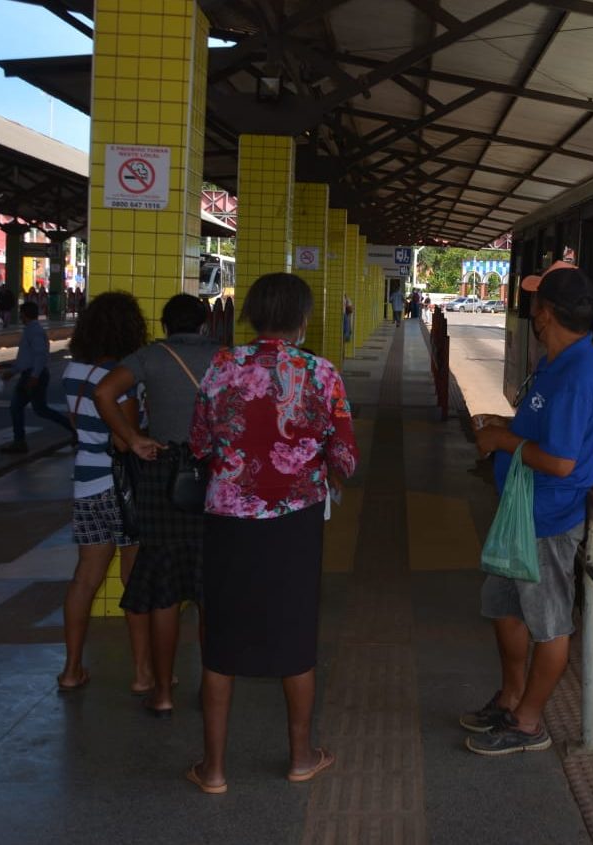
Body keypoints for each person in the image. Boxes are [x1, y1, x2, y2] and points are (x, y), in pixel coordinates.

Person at [186, 272, 358, 794]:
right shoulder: (322, 373)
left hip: (228, 521)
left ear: (251, 315)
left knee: (221, 641)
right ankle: (301, 758)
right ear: (302, 319)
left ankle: (213, 770)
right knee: (294, 635)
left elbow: (198, 444)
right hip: (294, 523)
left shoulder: (221, 366)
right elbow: (346, 459)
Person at [461, 262, 593, 756]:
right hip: (522, 510)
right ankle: (511, 696)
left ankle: (528, 724)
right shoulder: (555, 363)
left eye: (536, 304)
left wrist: (502, 439)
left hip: (546, 517)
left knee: (549, 624)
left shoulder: (576, 374)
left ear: (546, 315)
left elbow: (562, 462)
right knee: (503, 606)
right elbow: (544, 432)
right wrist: (504, 423)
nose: (533, 314)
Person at [94, 294, 219, 717]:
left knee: (165, 590)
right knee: (208, 591)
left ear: (165, 325)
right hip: (215, 477)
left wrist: (133, 440)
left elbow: (104, 392)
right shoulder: (227, 357)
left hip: (163, 477)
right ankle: (211, 689)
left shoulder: (151, 356)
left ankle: (163, 693)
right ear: (204, 324)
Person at [57, 291, 149, 693]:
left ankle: (71, 669)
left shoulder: (73, 373)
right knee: (135, 579)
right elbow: (125, 439)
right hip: (123, 486)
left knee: (84, 580)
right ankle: (144, 673)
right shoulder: (118, 379)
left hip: (87, 482)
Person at [0, 301, 74, 453]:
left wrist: (34, 376)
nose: (20, 316)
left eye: (21, 313)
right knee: (40, 409)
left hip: (33, 375)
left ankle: (19, 442)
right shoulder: (32, 330)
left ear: (25, 314)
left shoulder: (34, 331)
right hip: (33, 374)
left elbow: (39, 356)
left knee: (17, 407)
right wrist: (13, 371)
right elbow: (26, 358)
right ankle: (74, 428)